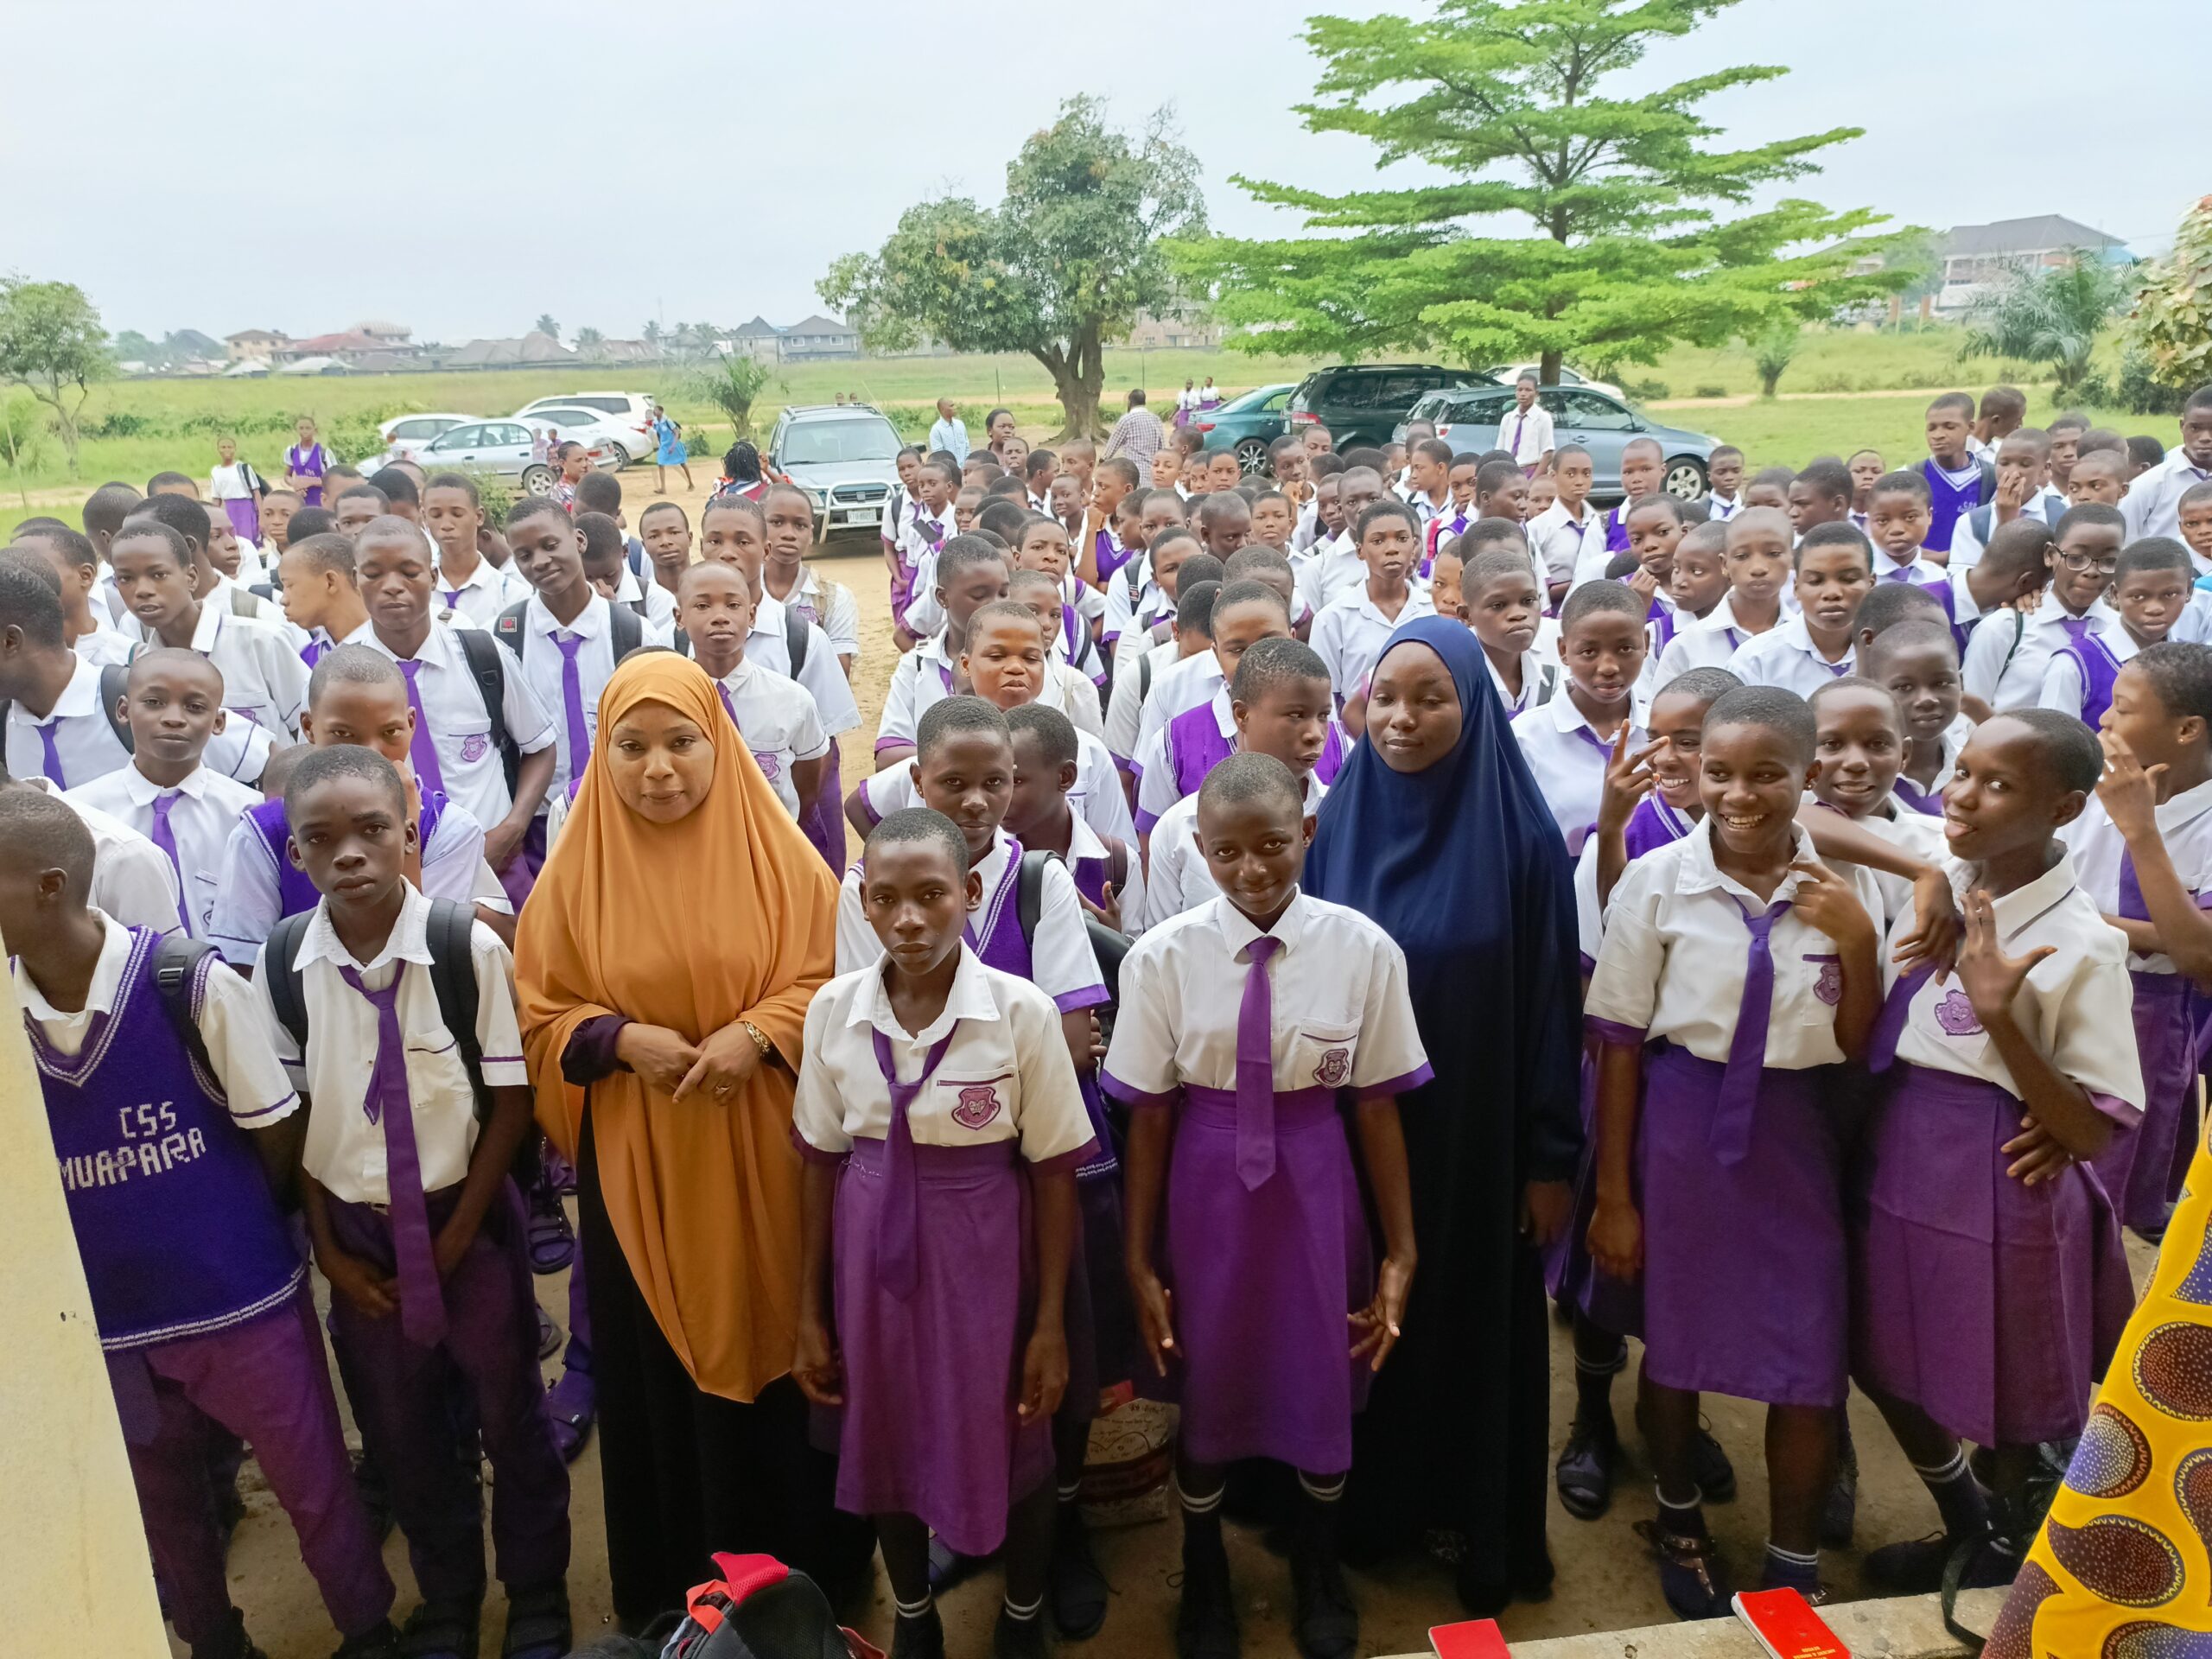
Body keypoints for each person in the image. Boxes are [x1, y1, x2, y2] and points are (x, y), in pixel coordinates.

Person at [1, 787, 404, 1659]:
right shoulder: (8, 1012)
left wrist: (241, 1230)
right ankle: (215, 1638)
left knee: (310, 1477)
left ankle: (367, 1629)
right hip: (110, 1323)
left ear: (47, 886)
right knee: (163, 1503)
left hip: (240, 1296)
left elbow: (273, 1132)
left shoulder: (184, 982)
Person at [517, 652, 868, 1624]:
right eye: (631, 748)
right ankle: (687, 1593)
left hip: (772, 1155)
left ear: (718, 744)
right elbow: (541, 1013)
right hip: (646, 1170)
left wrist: (757, 1035)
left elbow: (835, 988)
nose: (659, 769)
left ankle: (812, 1582)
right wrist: (619, 1039)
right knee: (660, 1381)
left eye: (681, 743)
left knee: (794, 1344)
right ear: (604, 754)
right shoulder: (572, 879)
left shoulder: (788, 863)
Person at [255, 746, 571, 1659]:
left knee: (510, 1410)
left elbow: (511, 1102)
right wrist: (332, 1251)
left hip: (465, 1222)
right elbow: (298, 1119)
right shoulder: (284, 967)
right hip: (360, 1236)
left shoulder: (461, 945)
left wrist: (465, 1231)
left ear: (409, 834)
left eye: (371, 831)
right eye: (322, 840)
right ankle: (449, 1593)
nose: (349, 853)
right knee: (400, 1429)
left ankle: (537, 1585)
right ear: (296, 858)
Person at [1582, 685, 1882, 1612]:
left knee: (1807, 1353)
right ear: (1696, 773)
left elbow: (1861, 1043)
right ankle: (1678, 1519)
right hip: (1680, 1123)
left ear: (1809, 778)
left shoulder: (1850, 889)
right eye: (1720, 773)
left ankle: (1792, 1562)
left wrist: (1860, 946)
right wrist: (1614, 1196)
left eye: (1767, 776)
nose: (1740, 796)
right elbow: (1621, 1041)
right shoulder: (1657, 880)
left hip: (1795, 1130)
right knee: (1676, 1340)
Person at [1303, 617, 1581, 1613]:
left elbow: (1553, 1008)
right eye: (1385, 696)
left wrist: (1551, 1160)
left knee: (1465, 1323)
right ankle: (1371, 1512)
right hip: (1351, 1139)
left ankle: (1475, 1528)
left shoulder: (1522, 841)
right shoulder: (1339, 825)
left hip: (1477, 1140)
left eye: (1431, 697)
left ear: (1477, 704)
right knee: (1365, 1324)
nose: (1402, 718)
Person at [1853, 711, 2141, 1594]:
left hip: (2001, 1170)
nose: (1962, 796)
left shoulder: (2084, 944)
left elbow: (2091, 1130)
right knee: (1883, 1350)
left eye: (1996, 785)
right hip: (1903, 1146)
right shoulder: (1950, 870)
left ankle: (2005, 1556)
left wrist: (1997, 1018)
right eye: (1962, 773)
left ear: (2064, 807)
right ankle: (1970, 1524)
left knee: (2007, 1388)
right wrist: (1928, 874)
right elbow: (1820, 815)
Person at [793, 806, 1090, 1659]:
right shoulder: (833, 1012)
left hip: (986, 1254)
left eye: (930, 895)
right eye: (885, 899)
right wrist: (811, 1311)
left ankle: (1022, 1613)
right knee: (884, 1429)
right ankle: (914, 1613)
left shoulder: (1019, 1012)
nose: (909, 919)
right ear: (862, 903)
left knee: (1013, 1425)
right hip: (869, 1254)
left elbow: (1053, 1169)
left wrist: (1047, 1324)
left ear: (968, 891)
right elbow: (818, 1159)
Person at [207, 645, 515, 965]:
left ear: (411, 723)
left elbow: (424, 951)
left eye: (390, 732)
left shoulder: (448, 828)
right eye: (343, 733)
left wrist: (407, 832)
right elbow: (244, 966)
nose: (371, 752)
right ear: (309, 728)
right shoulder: (262, 834)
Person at [2062, 643, 2212, 1241]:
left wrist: (2140, 830)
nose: (2104, 721)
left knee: (2119, 1179)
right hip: (2071, 992)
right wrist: (2145, 935)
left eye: (2122, 710)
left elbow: (2199, 956)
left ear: (2186, 729)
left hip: (2150, 1016)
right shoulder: (2085, 784)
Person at [64, 648, 258, 940]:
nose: (173, 718)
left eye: (194, 707)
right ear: (123, 711)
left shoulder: (248, 813)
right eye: (154, 702)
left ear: (219, 722)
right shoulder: (79, 813)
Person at [110, 516, 309, 740]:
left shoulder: (261, 642)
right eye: (126, 579)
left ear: (191, 578)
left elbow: (311, 728)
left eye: (159, 575)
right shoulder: (141, 669)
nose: (142, 590)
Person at [674, 561, 830, 826]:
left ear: (752, 614)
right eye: (702, 606)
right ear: (680, 617)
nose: (720, 616)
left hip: (769, 850)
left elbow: (807, 788)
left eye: (733, 605)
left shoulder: (793, 701)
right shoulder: (668, 698)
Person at [1514, 580, 1649, 855]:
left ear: (1645, 643)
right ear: (1563, 651)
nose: (1609, 667)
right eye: (1589, 652)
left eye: (1625, 649)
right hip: (1561, 890)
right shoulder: (1526, 737)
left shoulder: (1660, 733)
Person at [1963, 505, 2127, 711]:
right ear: (2050, 555)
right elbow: (1966, 713)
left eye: (2109, 561)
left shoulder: (2120, 632)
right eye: (2076, 558)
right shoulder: (2005, 628)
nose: (2092, 571)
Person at [1310, 500, 1435, 709]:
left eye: (1402, 539)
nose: (1392, 549)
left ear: (1414, 545)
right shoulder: (1332, 619)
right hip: (1357, 733)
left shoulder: (1433, 611)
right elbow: (1326, 697)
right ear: (1360, 551)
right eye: (1378, 541)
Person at [1726, 523, 1872, 696]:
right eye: (1815, 581)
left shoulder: (1890, 654)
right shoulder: (1755, 660)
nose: (1832, 593)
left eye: (1849, 579)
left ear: (1871, 584)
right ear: (1796, 588)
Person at [1653, 508, 1791, 680]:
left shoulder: (1806, 639)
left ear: (1792, 559)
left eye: (1773, 554)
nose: (1758, 568)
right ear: (1724, 565)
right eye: (1742, 556)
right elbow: (1661, 706)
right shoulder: (1687, 645)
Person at [1861, 619, 1967, 817]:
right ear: (1875, 690)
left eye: (1942, 683)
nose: (1926, 700)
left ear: (1960, 683)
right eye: (1904, 687)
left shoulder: (1973, 768)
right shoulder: (1856, 775)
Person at [425, 473, 531, 625]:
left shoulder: (510, 594)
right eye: (436, 515)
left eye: (457, 514)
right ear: (424, 517)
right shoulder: (417, 591)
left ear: (479, 517)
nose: (446, 525)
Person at [1916, 391, 1997, 558]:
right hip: (1922, 578)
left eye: (1949, 427)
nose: (1938, 435)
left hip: (1971, 579)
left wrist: (1947, 558)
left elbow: (1997, 538)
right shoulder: (1913, 476)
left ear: (1971, 428)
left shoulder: (1992, 479)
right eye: (1931, 428)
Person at [207, 435, 264, 547]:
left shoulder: (243, 468)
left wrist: (262, 518)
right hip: (228, 510)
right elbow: (216, 499)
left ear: (235, 449)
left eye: (230, 447)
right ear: (218, 449)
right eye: (223, 447)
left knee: (247, 542)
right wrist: (213, 518)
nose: (227, 450)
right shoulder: (215, 471)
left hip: (246, 510)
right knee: (232, 541)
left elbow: (256, 493)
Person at [1503, 373, 1556, 474]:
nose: (1523, 394)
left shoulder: (1543, 418)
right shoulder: (1508, 418)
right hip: (1508, 472)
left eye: (1528, 390)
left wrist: (1532, 481)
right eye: (1520, 390)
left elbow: (1548, 454)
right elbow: (1499, 450)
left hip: (1531, 471)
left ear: (1536, 394)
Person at [1103, 388, 1166, 472]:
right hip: (1152, 473)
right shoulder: (1156, 419)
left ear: (1129, 402)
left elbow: (1111, 447)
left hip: (1133, 473)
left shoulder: (1126, 420)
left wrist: (1102, 461)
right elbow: (1161, 447)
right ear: (1144, 402)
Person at [285, 416, 332, 507]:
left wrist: (311, 482)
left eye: (308, 428)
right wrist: (295, 484)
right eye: (301, 428)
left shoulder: (324, 453)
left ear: (315, 430)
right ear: (297, 430)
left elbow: (333, 479)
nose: (304, 431)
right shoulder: (292, 451)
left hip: (321, 501)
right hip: (302, 500)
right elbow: (287, 476)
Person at [651, 404, 692, 494]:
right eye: (654, 410)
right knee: (660, 464)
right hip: (664, 445)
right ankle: (663, 488)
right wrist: (660, 443)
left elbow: (676, 433)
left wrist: (673, 446)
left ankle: (691, 483)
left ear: (661, 412)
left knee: (682, 463)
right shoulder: (655, 422)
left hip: (674, 444)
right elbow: (658, 433)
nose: (655, 412)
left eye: (656, 410)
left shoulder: (667, 421)